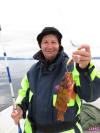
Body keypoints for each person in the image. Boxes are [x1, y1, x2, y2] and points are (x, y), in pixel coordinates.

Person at [11, 27, 100, 133]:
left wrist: (85, 69)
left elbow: (91, 96)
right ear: (40, 45)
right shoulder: (32, 71)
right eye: (45, 42)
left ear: (59, 45)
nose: (49, 46)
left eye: (53, 42)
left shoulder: (74, 67)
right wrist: (20, 108)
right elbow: (24, 95)